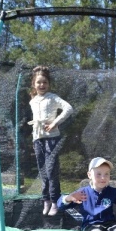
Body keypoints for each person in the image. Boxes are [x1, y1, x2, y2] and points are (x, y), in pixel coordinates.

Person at [29, 66, 73, 216]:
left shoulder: (52, 97)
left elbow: (68, 108)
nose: (42, 85)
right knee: (42, 171)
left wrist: (55, 123)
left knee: (51, 170)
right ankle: (45, 200)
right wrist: (35, 136)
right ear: (34, 84)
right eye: (39, 82)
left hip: (52, 139)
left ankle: (55, 201)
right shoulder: (33, 101)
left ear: (48, 84)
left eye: (45, 82)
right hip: (38, 139)